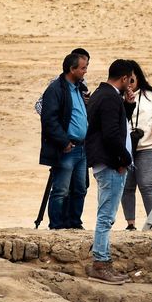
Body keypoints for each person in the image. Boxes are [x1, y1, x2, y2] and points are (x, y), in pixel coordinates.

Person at [85, 59, 134, 284]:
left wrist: (127, 106)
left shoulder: (103, 95)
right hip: (111, 163)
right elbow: (111, 134)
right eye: (129, 80)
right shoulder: (109, 98)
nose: (131, 84)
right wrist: (124, 159)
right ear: (123, 78)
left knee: (105, 213)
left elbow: (112, 125)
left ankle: (103, 260)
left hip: (105, 162)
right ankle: (100, 263)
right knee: (107, 216)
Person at [39, 52, 90, 230]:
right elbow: (49, 119)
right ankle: (57, 226)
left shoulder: (79, 88)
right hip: (67, 148)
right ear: (72, 69)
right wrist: (63, 142)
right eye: (83, 68)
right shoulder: (56, 90)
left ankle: (74, 223)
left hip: (82, 148)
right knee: (61, 190)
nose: (85, 71)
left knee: (80, 189)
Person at [121, 60, 152, 230]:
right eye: (126, 79)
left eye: (132, 79)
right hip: (125, 146)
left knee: (146, 184)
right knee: (127, 186)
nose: (129, 83)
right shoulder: (117, 95)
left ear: (137, 77)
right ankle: (130, 223)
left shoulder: (151, 95)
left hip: (147, 146)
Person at [34, 48, 90, 116]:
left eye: (86, 65)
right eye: (83, 66)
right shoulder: (57, 83)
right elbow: (39, 105)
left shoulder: (82, 83)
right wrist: (55, 121)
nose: (85, 70)